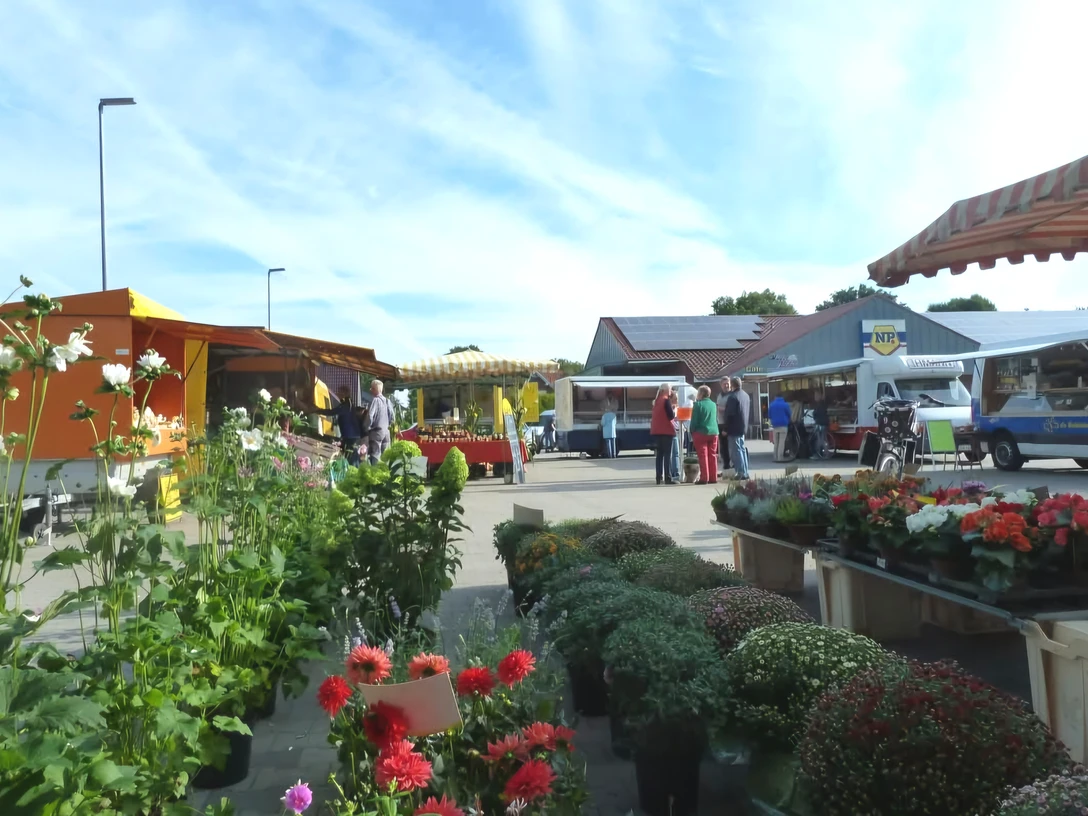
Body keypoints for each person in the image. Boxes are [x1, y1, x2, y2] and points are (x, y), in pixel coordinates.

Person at [314, 386, 363, 465]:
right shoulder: (348, 403)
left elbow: (332, 412)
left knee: (351, 459)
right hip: (351, 435)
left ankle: (353, 472)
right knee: (349, 456)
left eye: (339, 392)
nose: (337, 393)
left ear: (344, 393)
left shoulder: (346, 405)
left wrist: (317, 410)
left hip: (350, 436)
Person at [690, 385, 719, 484]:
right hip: (714, 431)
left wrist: (692, 431)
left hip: (701, 432)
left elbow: (694, 421)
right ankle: (713, 477)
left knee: (703, 455)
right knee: (712, 455)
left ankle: (704, 478)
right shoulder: (714, 404)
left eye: (698, 393)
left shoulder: (698, 405)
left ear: (701, 394)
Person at [649, 383, 677, 485]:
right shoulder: (666, 401)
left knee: (659, 455)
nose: (671, 391)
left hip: (657, 431)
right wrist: (674, 410)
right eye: (670, 389)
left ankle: (658, 477)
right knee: (667, 455)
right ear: (666, 390)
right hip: (666, 430)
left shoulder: (656, 401)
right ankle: (668, 477)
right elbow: (670, 416)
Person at [723, 377, 750, 479]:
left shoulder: (733, 397)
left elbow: (729, 414)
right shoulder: (746, 395)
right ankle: (745, 471)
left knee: (736, 451)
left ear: (732, 385)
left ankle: (740, 473)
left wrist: (725, 429)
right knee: (742, 449)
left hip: (733, 428)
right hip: (743, 426)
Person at [366, 379, 395, 464]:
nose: (371, 390)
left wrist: (367, 427)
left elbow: (370, 416)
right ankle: (385, 475)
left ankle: (375, 475)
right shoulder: (387, 401)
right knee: (385, 458)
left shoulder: (375, 400)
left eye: (371, 388)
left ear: (375, 389)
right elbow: (392, 417)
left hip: (377, 432)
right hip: (386, 432)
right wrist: (387, 424)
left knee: (375, 456)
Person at [716, 377, 733, 473]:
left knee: (730, 446)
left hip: (728, 424)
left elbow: (732, 410)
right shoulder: (720, 395)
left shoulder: (732, 396)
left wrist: (723, 409)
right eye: (724, 384)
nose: (726, 385)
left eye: (728, 383)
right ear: (721, 385)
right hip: (720, 423)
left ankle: (732, 466)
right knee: (723, 447)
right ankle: (726, 466)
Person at [769, 393, 792, 462]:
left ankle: (775, 457)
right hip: (783, 425)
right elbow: (789, 414)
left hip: (775, 426)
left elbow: (769, 415)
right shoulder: (785, 404)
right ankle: (780, 457)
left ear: (775, 397)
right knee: (782, 442)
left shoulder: (772, 405)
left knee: (776, 442)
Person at [668, 391, 682, 481]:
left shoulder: (678, 408)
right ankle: (670, 472)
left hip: (676, 431)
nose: (676, 400)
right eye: (675, 398)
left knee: (676, 453)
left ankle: (676, 472)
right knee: (671, 453)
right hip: (669, 432)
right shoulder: (669, 408)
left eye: (677, 398)